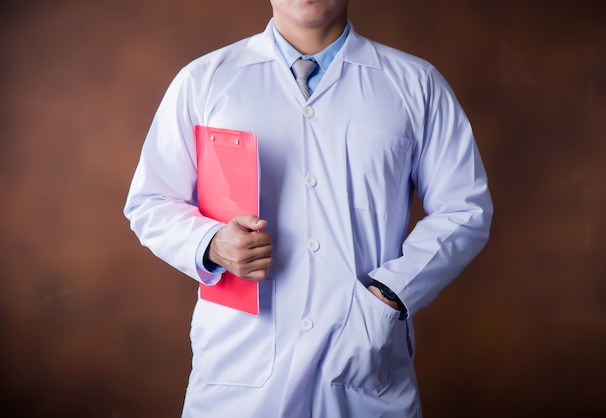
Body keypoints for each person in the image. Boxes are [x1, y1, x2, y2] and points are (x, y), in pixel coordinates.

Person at [123, 1, 493, 416]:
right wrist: (210, 243)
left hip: (361, 360)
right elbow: (151, 201)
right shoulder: (205, 80)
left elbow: (464, 209)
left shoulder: (414, 84)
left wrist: (390, 294)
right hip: (241, 368)